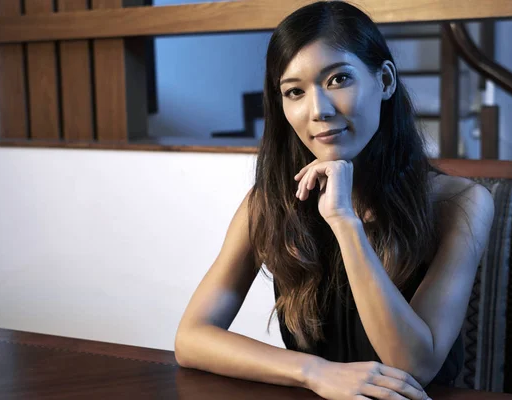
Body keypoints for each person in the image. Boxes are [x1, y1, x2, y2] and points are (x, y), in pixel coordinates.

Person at [175, 2, 494, 399]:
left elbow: (413, 366)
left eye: (339, 79)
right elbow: (191, 338)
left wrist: (345, 222)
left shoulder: (462, 204)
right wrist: (313, 372)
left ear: (386, 81)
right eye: (294, 91)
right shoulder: (270, 202)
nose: (318, 111)